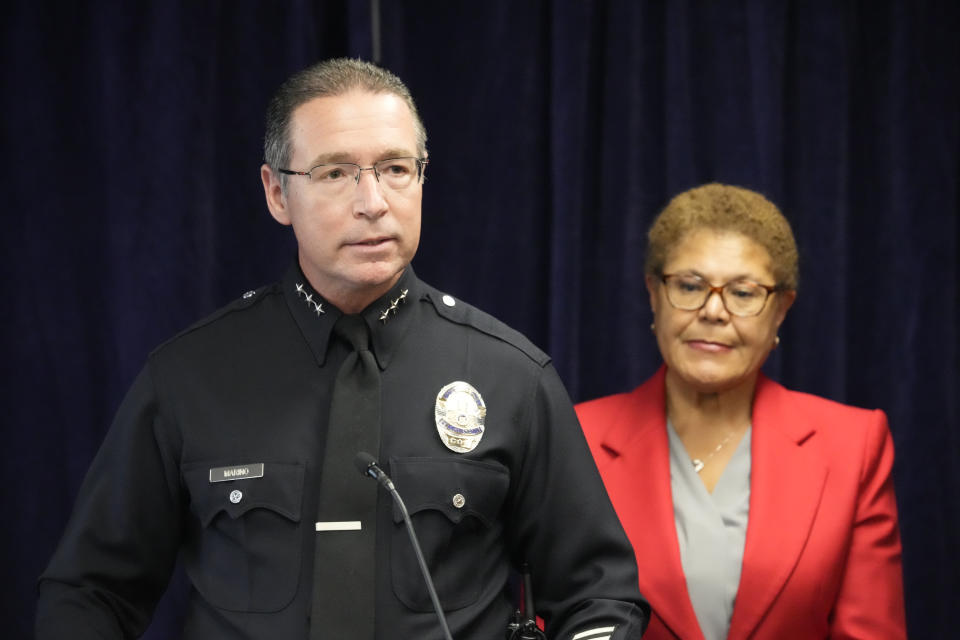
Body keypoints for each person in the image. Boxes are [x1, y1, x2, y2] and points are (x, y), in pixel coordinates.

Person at [36, 58, 649, 639]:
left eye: (395, 169)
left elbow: (598, 592)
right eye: (334, 173)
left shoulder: (510, 375)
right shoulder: (188, 375)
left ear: (422, 178)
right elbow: (90, 591)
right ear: (277, 194)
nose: (373, 202)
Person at [576, 183, 906, 640]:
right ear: (653, 294)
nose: (713, 310)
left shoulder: (852, 446)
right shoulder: (577, 438)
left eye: (744, 293)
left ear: (780, 311)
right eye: (690, 286)